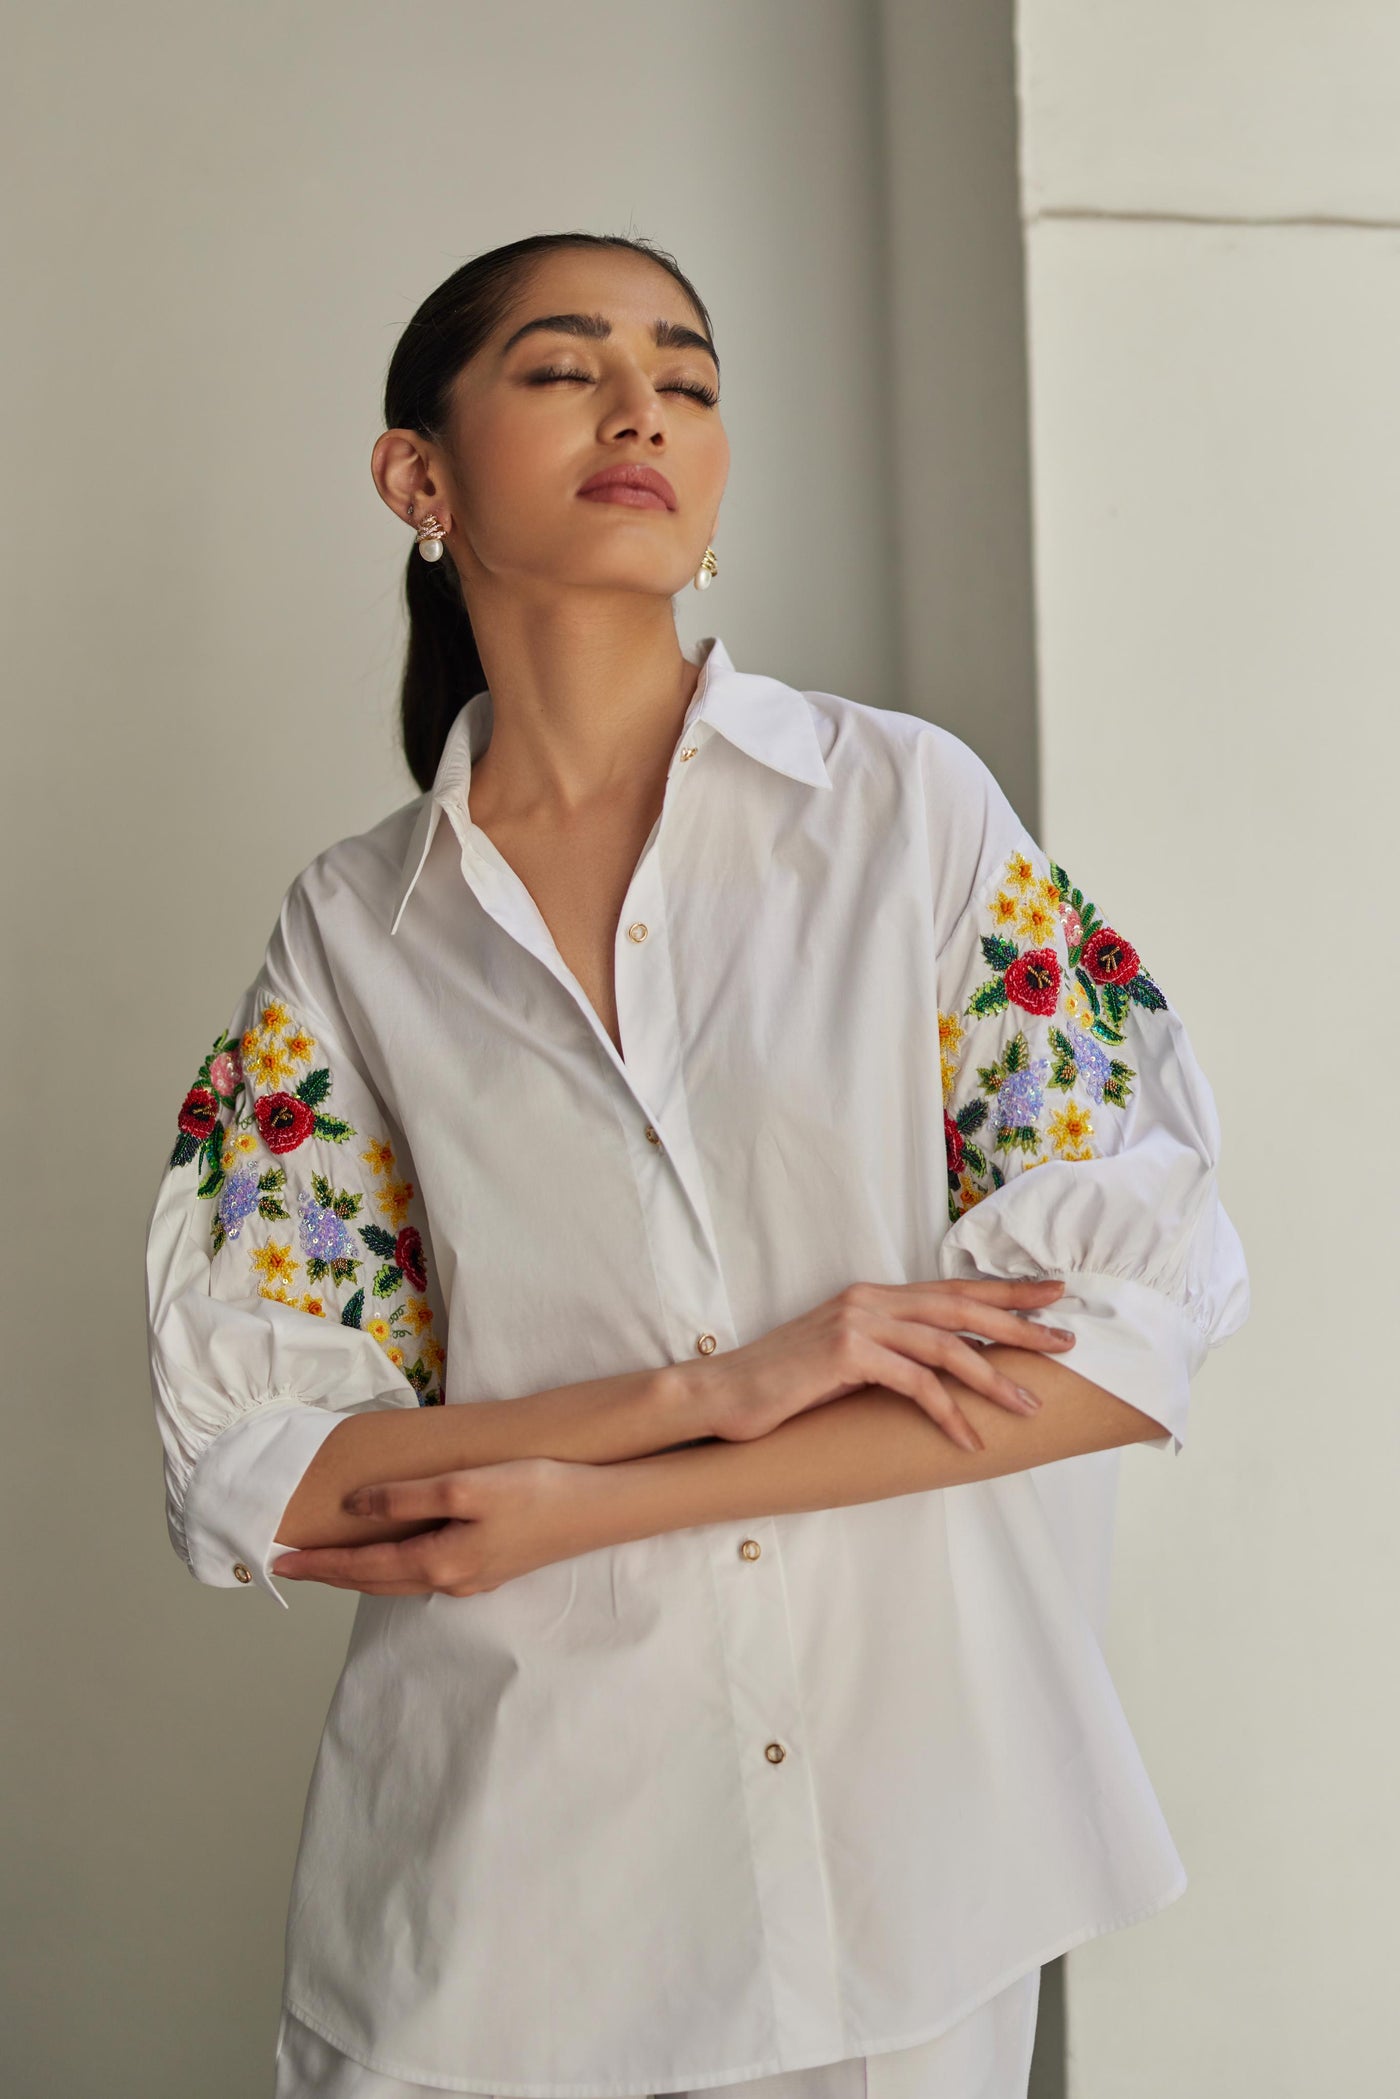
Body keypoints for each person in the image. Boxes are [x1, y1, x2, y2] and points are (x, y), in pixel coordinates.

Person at [142, 231, 1251, 2099]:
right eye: (567, 367)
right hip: (497, 1895)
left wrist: (584, 1499)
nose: (645, 404)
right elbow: (266, 1469)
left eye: (692, 374)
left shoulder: (906, 815)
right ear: (420, 475)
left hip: (901, 1877)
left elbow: (1122, 1332)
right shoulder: (354, 935)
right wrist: (714, 1388)